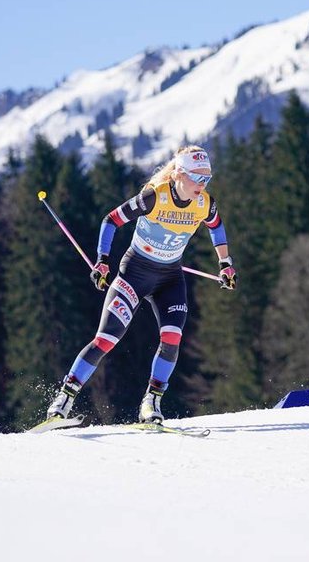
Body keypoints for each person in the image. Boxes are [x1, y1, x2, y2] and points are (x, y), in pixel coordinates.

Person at [44, 145, 236, 425]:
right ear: (180, 174)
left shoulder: (205, 203)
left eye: (207, 178)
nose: (203, 184)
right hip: (134, 274)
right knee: (107, 338)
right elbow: (111, 220)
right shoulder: (154, 197)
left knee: (172, 339)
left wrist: (225, 263)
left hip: (169, 279)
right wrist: (102, 261)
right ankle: (64, 398)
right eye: (198, 178)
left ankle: (152, 402)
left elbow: (216, 226)